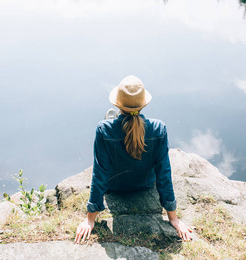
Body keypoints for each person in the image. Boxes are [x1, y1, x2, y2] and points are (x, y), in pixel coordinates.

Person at [75, 75, 192, 244]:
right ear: (143, 104)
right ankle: (119, 122)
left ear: (119, 104)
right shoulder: (159, 128)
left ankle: (116, 121)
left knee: (109, 127)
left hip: (114, 187)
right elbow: (164, 174)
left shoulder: (102, 130)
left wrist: (90, 219)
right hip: (144, 185)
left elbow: (99, 174)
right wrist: (173, 217)